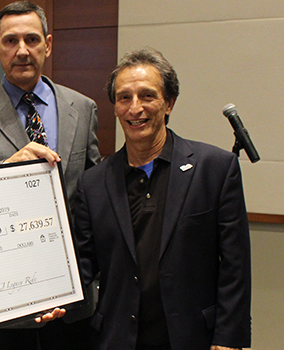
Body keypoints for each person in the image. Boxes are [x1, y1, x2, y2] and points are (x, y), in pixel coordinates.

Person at [0, 1, 100, 349]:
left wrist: (86, 275)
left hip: (72, 304)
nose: (22, 50)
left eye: (31, 39)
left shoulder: (83, 109)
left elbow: (92, 200)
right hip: (0, 307)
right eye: (11, 41)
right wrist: (8, 170)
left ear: (48, 44)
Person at [72, 47, 252, 350]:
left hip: (192, 338)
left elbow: (236, 265)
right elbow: (82, 262)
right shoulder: (93, 182)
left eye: (147, 96)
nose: (135, 108)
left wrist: (228, 339)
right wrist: (44, 296)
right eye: (124, 98)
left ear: (169, 103)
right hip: (117, 339)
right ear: (115, 107)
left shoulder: (215, 169)